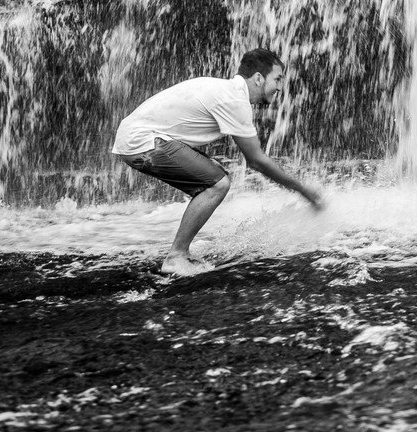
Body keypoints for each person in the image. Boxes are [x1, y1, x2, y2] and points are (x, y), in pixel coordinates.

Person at [112, 48, 324, 275]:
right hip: (142, 142)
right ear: (259, 78)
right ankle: (176, 256)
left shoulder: (225, 90)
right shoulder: (234, 100)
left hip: (138, 139)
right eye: (278, 79)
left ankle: (181, 253)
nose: (280, 88)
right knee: (218, 183)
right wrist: (304, 190)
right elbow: (256, 161)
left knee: (215, 176)